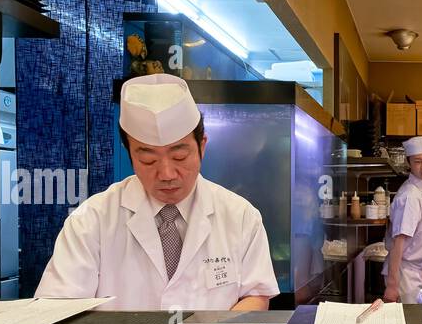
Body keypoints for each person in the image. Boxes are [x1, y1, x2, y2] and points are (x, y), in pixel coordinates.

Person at [37, 74, 280, 311]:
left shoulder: (240, 216)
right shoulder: (91, 221)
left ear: (202, 146)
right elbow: (57, 308)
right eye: (148, 160)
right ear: (129, 153)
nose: (167, 174)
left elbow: (256, 295)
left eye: (179, 156)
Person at [383, 137, 422, 304]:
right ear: (409, 164)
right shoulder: (410, 197)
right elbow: (398, 243)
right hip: (405, 278)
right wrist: (392, 286)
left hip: (421, 273)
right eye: (418, 162)